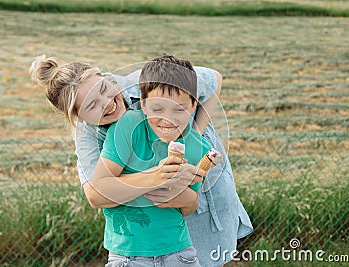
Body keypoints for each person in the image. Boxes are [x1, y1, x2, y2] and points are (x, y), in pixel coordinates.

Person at [30, 54, 253, 266]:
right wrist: (156, 177)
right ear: (79, 118)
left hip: (204, 195)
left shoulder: (147, 81)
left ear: (107, 79)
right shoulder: (87, 133)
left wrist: (188, 137)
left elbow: (214, 79)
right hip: (152, 222)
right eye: (92, 105)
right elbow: (96, 194)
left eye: (104, 89)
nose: (107, 102)